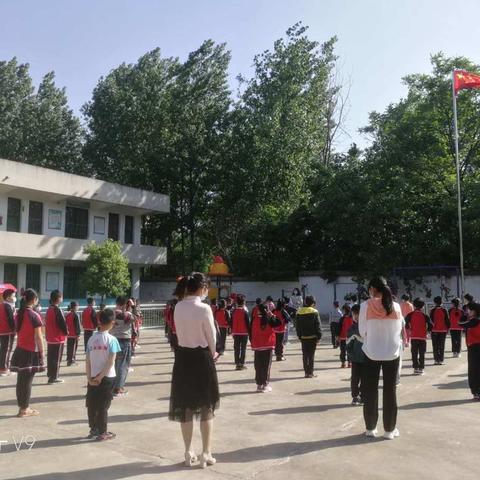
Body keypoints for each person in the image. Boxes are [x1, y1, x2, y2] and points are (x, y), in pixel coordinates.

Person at [169, 273, 219, 469]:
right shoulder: (204, 308)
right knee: (207, 408)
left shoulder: (178, 307)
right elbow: (212, 339)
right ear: (202, 288)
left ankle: (188, 451)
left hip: (182, 359)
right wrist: (214, 353)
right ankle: (206, 452)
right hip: (201, 358)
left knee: (186, 408)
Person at [359, 276, 403, 440]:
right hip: (392, 353)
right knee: (390, 391)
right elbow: (399, 330)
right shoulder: (396, 306)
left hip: (371, 352)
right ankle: (389, 430)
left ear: (372, 289)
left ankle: (370, 428)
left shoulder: (365, 306)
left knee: (370, 390)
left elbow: (362, 331)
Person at [85, 308, 121, 441]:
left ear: (99, 321)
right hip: (107, 378)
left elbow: (88, 360)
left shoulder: (91, 339)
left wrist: (90, 377)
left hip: (93, 376)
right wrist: (101, 377)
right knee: (103, 405)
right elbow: (111, 362)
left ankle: (93, 428)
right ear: (112, 322)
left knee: (92, 403)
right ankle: (103, 431)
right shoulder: (112, 340)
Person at [10, 289, 45, 417]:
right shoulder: (34, 315)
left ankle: (22, 407)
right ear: (34, 300)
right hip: (30, 351)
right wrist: (42, 352)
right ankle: (25, 409)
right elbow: (39, 336)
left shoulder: (19, 314)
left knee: (21, 381)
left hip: (20, 349)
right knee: (27, 382)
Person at [250, 303, 281, 392]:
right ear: (267, 310)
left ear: (258, 310)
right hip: (268, 346)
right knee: (266, 366)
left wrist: (252, 342)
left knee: (258, 366)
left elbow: (250, 331)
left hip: (257, 346)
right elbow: (279, 322)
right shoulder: (269, 319)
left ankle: (259, 385)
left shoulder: (254, 319)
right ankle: (265, 385)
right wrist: (271, 314)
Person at [110, 296, 135, 397]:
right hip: (124, 341)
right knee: (122, 365)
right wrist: (133, 306)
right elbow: (137, 317)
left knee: (113, 364)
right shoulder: (127, 314)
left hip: (112, 340)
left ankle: (113, 386)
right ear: (125, 304)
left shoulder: (111, 312)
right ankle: (118, 388)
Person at [296, 295, 322, 378]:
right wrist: (319, 336)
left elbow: (297, 326)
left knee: (305, 355)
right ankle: (310, 372)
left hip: (303, 337)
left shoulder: (299, 312)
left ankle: (306, 372)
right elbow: (318, 325)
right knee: (311, 356)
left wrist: (299, 336)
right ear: (313, 303)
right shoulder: (315, 312)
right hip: (313, 337)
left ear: (305, 302)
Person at [459, 302, 480, 400]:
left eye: (469, 310)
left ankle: (476, 392)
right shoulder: (475, 320)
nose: (468, 311)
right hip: (475, 347)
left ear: (474, 311)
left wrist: (463, 317)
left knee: (473, 370)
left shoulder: (474, 321)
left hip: (474, 348)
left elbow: (460, 324)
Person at [45, 290, 67, 384]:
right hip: (57, 338)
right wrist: (66, 332)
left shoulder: (49, 309)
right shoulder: (57, 310)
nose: (62, 298)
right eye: (61, 297)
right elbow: (62, 324)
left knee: (51, 358)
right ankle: (54, 377)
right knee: (56, 359)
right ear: (58, 298)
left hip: (50, 338)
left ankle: (50, 376)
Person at [404, 298, 431, 375]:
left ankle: (415, 368)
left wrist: (409, 330)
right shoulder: (425, 315)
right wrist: (428, 332)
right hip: (422, 337)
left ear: (414, 305)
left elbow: (406, 323)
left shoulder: (410, 315)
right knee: (422, 353)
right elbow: (430, 325)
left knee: (414, 353)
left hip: (414, 336)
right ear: (423, 306)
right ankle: (421, 368)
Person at [346, 304, 365, 405]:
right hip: (356, 358)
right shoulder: (352, 328)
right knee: (355, 378)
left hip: (366, 358)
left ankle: (361, 396)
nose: (356, 316)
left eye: (357, 314)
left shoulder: (367, 327)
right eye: (354, 314)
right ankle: (355, 396)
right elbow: (348, 344)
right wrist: (350, 355)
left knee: (363, 378)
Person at [230, 294, 250, 370]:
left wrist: (232, 331)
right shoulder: (245, 312)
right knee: (243, 348)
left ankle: (237, 364)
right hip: (244, 333)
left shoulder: (233, 311)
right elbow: (248, 323)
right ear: (244, 302)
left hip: (236, 333)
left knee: (237, 349)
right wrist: (250, 332)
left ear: (236, 302)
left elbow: (231, 322)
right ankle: (241, 364)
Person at [0, 288, 17, 376]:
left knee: (3, 349)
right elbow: (11, 319)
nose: (15, 297)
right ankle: (4, 369)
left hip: (3, 331)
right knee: (7, 350)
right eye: (13, 296)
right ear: (7, 297)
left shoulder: (2, 305)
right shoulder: (7, 306)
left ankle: (3, 368)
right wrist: (15, 330)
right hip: (8, 331)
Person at [430, 296, 450, 365]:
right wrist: (448, 328)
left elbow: (431, 321)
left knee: (435, 346)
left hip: (434, 330)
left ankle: (436, 360)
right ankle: (441, 360)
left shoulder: (432, 310)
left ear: (435, 302)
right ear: (441, 302)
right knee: (442, 346)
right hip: (443, 330)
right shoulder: (444, 310)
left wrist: (430, 330)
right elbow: (447, 320)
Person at [66, 301, 81, 366]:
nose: (78, 307)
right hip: (74, 335)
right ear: (75, 307)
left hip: (69, 334)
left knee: (69, 347)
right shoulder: (76, 315)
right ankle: (71, 361)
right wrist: (78, 334)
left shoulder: (68, 315)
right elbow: (77, 326)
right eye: (78, 306)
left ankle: (69, 359)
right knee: (74, 348)